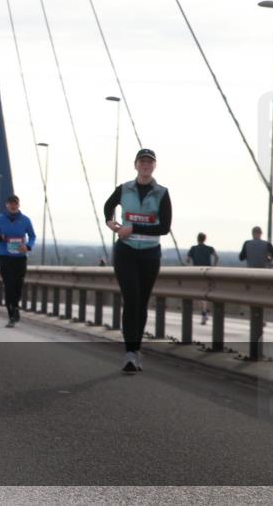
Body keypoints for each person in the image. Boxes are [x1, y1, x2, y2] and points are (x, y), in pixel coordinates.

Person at [104, 148, 172, 374]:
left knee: (141, 303)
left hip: (150, 254)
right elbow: (108, 206)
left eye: (149, 162)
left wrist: (133, 227)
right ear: (135, 165)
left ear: (154, 166)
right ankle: (129, 353)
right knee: (131, 299)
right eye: (142, 162)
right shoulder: (124, 189)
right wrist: (110, 222)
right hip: (126, 252)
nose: (145, 165)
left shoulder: (162, 193)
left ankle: (136, 349)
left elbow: (164, 227)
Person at [0, 194, 36, 328]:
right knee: (9, 285)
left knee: (18, 286)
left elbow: (32, 236)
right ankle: (12, 315)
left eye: (15, 203)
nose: (13, 205)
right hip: (5, 257)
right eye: (10, 203)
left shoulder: (25, 220)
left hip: (20, 258)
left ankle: (15, 306)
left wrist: (27, 246)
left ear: (18, 205)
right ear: (6, 205)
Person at [186, 232, 218, 323]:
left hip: (197, 273)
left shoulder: (193, 248)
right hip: (207, 272)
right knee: (205, 293)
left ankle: (204, 313)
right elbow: (216, 257)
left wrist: (188, 265)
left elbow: (187, 260)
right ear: (205, 239)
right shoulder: (209, 248)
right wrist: (214, 267)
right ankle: (204, 313)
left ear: (197, 239)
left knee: (199, 294)